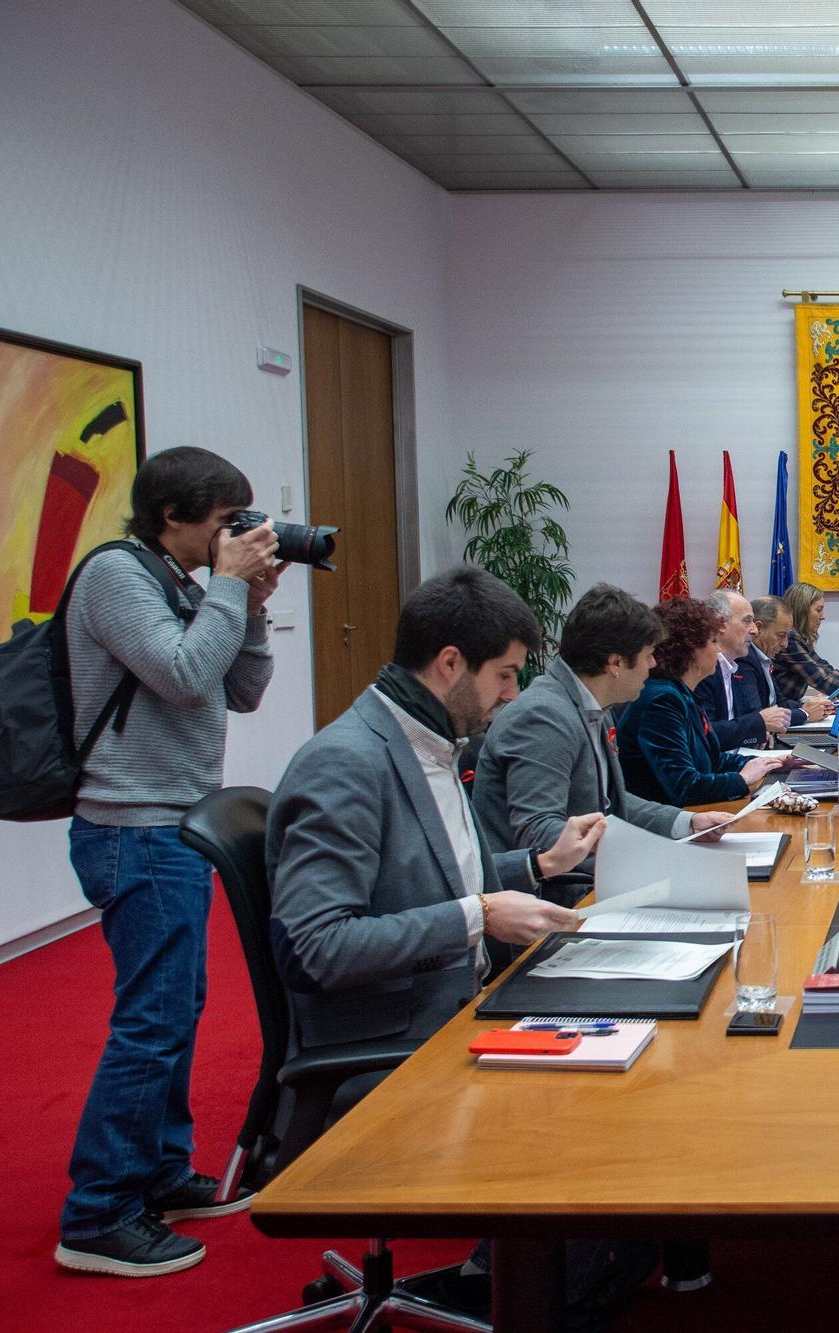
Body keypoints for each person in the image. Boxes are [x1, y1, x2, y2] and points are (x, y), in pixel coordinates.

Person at [266, 566, 659, 1324]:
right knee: (617, 1127)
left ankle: (552, 1262)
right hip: (401, 1042)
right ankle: (510, 1285)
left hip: (469, 1001)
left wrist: (540, 866)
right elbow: (316, 947)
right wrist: (478, 912)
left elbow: (450, 881)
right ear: (450, 663)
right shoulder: (347, 762)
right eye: (504, 675)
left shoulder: (431, 743)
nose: (514, 695)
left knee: (649, 1034)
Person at [53, 447, 286, 1278]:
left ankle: (157, 1171)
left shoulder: (185, 582)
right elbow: (187, 675)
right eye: (226, 520)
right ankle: (99, 1212)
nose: (242, 533)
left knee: (177, 1007)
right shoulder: (118, 576)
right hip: (132, 824)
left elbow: (243, 688)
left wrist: (250, 604)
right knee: (152, 1018)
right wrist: (227, 588)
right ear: (170, 518)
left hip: (168, 821)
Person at [473, 584, 730, 907]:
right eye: (648, 655)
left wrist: (685, 822)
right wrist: (644, 852)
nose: (653, 666)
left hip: (589, 883)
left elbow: (609, 805)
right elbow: (539, 835)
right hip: (547, 900)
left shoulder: (592, 706)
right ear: (616, 663)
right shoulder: (544, 715)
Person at [620, 597, 791, 807]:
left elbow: (712, 760)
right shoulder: (662, 700)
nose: (717, 650)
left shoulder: (682, 693)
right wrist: (743, 779)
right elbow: (685, 787)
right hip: (665, 826)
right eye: (712, 642)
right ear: (691, 652)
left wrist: (771, 764)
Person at [695, 588, 791, 748]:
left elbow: (738, 722)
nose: (754, 630)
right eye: (747, 621)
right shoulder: (704, 671)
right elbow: (705, 735)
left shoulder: (732, 667)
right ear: (720, 624)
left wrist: (758, 734)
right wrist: (758, 725)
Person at [748, 594, 831, 726]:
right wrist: (805, 713)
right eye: (781, 635)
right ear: (759, 628)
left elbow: (779, 701)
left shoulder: (763, 658)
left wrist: (807, 706)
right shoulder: (745, 660)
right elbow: (758, 717)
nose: (785, 644)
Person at [773, 581, 839, 704]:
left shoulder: (799, 638)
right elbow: (820, 679)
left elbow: (827, 670)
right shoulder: (790, 639)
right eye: (818, 610)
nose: (823, 616)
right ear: (802, 611)